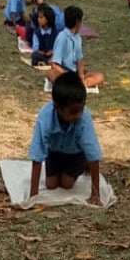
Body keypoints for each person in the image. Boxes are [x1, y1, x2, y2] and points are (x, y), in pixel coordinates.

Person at [28, 71, 103, 206]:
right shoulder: (45, 117)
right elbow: (37, 154)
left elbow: (93, 155)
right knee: (51, 185)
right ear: (57, 108)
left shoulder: (84, 119)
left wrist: (95, 194)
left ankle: (82, 163)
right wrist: (33, 195)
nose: (78, 115)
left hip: (75, 153)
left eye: (81, 109)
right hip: (54, 152)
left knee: (67, 184)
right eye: (73, 112)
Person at [48, 6, 105, 88]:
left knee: (100, 76)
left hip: (75, 72)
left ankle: (80, 84)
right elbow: (55, 64)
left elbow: (80, 60)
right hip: (63, 72)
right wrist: (67, 75)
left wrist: (81, 75)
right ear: (78, 22)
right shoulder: (62, 37)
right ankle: (76, 84)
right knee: (51, 73)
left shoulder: (78, 38)